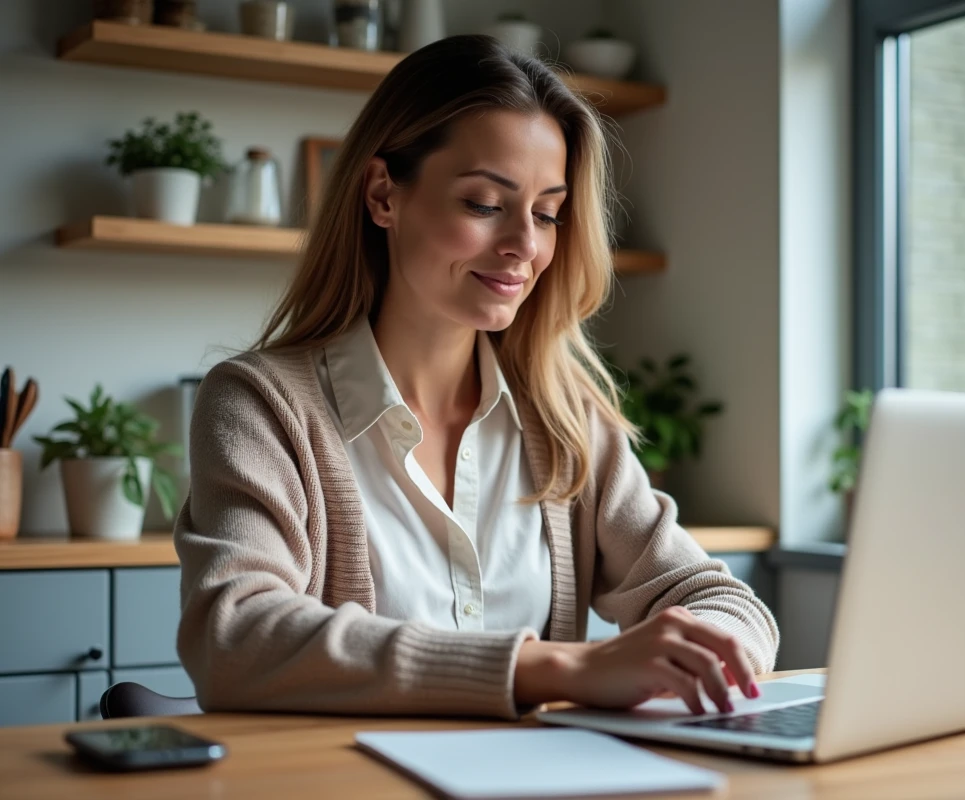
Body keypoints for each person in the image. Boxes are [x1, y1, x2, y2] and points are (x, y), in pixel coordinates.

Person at [175, 34, 778, 720]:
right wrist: (558, 668)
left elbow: (725, 602)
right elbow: (235, 639)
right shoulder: (261, 406)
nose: (525, 244)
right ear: (382, 195)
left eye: (547, 213)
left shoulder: (564, 418)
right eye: (485, 204)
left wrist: (710, 653)